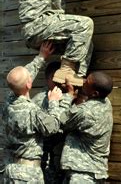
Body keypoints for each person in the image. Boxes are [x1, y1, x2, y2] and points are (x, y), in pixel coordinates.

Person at [2, 42, 74, 184]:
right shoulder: (33, 111)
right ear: (29, 84)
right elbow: (52, 127)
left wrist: (41, 56)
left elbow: (21, 78)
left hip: (9, 170)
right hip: (27, 174)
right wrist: (57, 100)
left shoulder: (8, 102)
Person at [60, 71, 113, 183]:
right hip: (95, 171)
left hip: (82, 174)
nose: (83, 82)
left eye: (87, 82)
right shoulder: (106, 103)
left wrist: (68, 96)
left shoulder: (85, 112)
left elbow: (61, 122)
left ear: (95, 94)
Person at [32, 61, 65, 183]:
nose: (59, 82)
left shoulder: (70, 95)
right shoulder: (39, 99)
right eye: (54, 78)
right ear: (47, 79)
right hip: (45, 155)